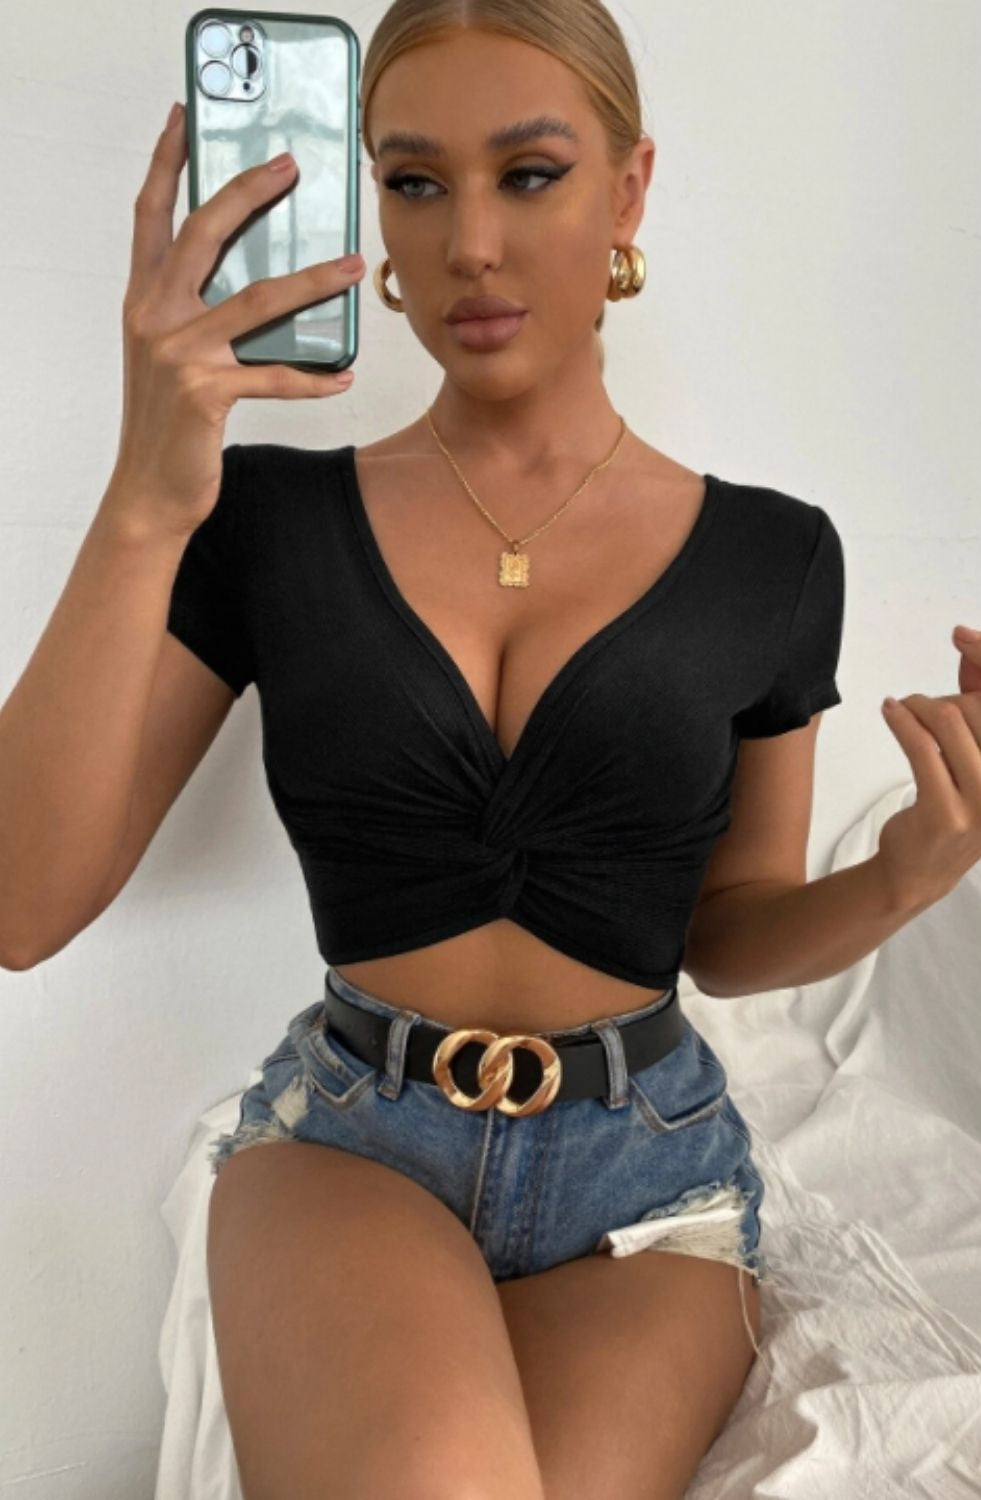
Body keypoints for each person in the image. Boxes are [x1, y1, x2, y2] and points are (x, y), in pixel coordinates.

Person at [1, 2, 859, 1495]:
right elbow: (21, 906)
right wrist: (145, 493)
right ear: (372, 214)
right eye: (412, 181)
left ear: (629, 190)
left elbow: (730, 937)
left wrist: (915, 868)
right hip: (353, 1143)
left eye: (529, 174)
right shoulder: (263, 522)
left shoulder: (774, 560)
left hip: (649, 1190)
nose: (468, 243)